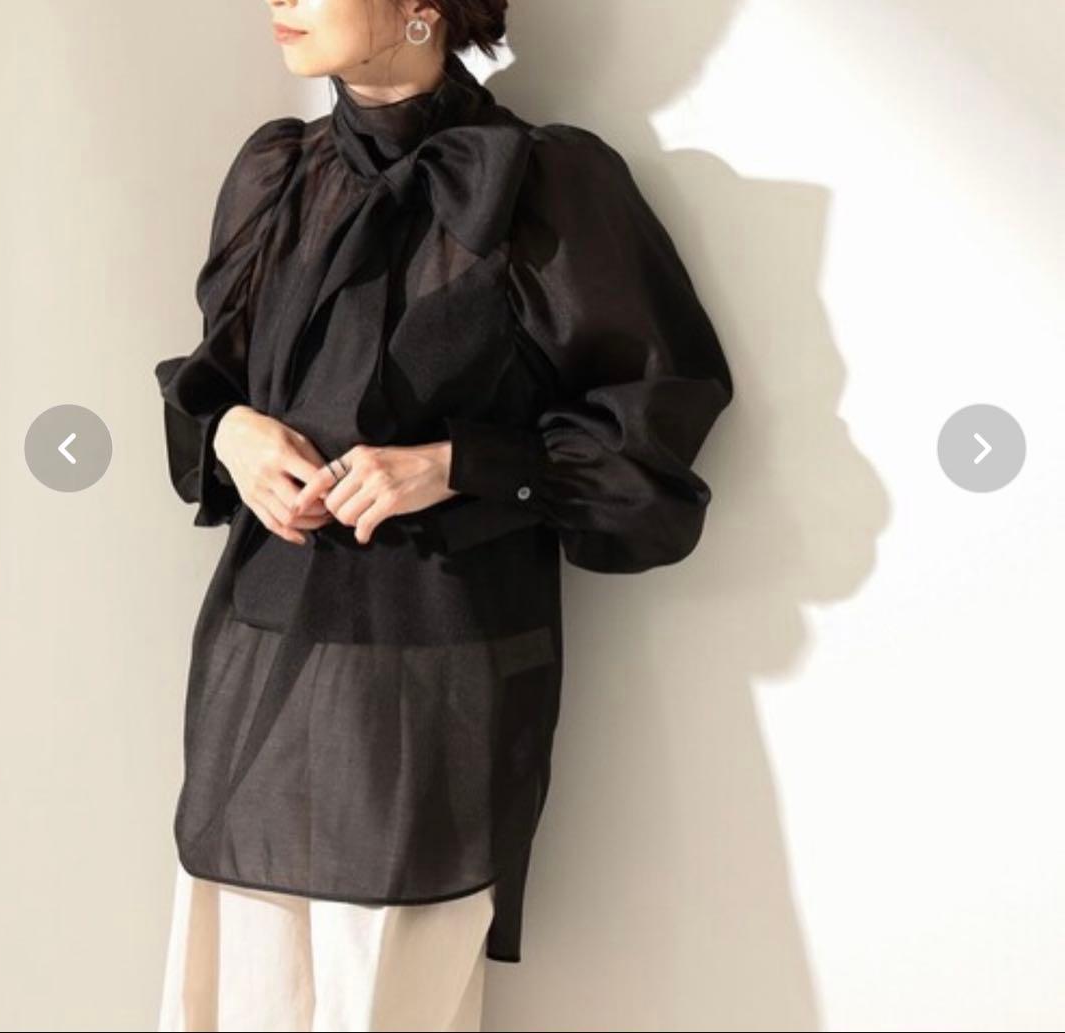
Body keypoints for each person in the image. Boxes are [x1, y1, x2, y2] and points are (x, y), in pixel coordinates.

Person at [153, 0, 734, 1029]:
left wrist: (457, 465)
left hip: (434, 690)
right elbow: (214, 381)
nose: (279, 0)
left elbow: (648, 440)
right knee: (230, 1002)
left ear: (424, 6)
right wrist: (233, 431)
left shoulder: (546, 182)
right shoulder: (276, 174)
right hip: (256, 673)